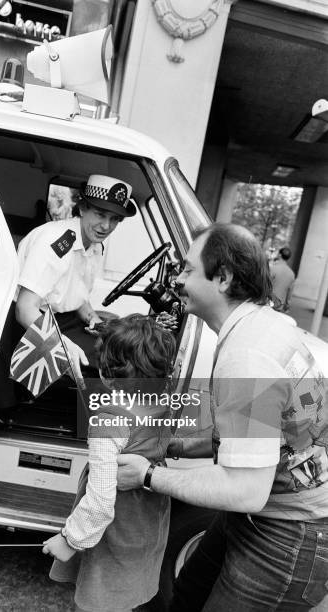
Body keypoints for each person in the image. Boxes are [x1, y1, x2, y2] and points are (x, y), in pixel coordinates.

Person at [116, 223, 328, 612]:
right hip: (263, 513)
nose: (177, 280)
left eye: (187, 270)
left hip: (287, 535)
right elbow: (262, 433)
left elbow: (245, 488)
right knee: (187, 596)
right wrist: (181, 444)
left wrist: (147, 476)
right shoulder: (261, 326)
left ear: (224, 278)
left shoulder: (248, 355)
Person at [42, 315, 176, 612]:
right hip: (148, 521)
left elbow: (101, 501)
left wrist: (69, 539)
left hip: (115, 528)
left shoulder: (109, 419)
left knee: (99, 600)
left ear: (104, 372)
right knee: (125, 595)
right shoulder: (163, 404)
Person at [15, 174, 136, 378]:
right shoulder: (54, 241)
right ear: (82, 208)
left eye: (114, 219)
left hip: (64, 320)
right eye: (100, 214)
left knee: (125, 349)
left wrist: (96, 321)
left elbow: (75, 295)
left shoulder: (94, 244)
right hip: (32, 326)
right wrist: (62, 345)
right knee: (115, 365)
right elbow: (24, 309)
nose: (106, 226)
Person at [270, 246, 295, 313]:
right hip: (279, 306)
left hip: (268, 304)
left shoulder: (273, 268)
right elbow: (289, 293)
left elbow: (265, 285)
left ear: (280, 255)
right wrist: (287, 306)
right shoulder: (291, 274)